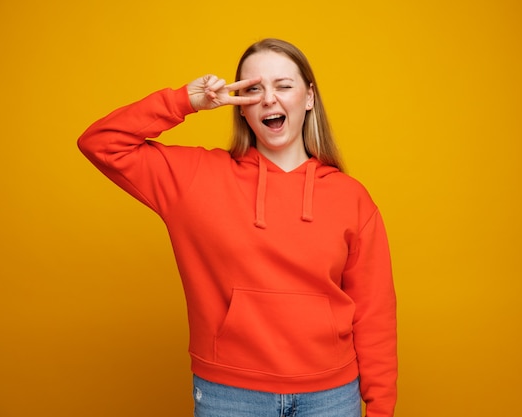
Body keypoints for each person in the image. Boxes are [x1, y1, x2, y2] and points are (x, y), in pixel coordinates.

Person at [78, 38, 397, 417]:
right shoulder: (195, 179)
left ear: (309, 97)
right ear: (239, 107)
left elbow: (374, 311)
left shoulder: (351, 197)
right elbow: (100, 143)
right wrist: (185, 101)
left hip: (330, 395)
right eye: (252, 90)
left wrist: (381, 407)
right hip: (230, 395)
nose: (268, 99)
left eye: (283, 85)